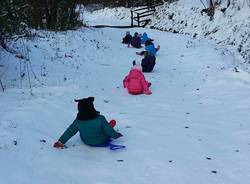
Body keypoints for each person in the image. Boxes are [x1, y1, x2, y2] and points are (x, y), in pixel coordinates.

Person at [53, 97, 123, 148]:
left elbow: (69, 131)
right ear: (92, 108)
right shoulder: (100, 119)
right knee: (106, 128)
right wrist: (116, 135)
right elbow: (109, 131)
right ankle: (109, 125)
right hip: (102, 140)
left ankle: (107, 126)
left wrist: (60, 141)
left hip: (87, 141)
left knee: (100, 127)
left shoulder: (77, 122)